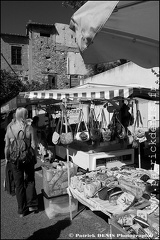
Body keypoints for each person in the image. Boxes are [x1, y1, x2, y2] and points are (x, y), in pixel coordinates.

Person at [4, 107, 38, 217]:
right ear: (25, 115)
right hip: (28, 158)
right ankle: (32, 205)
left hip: (14, 160)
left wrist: (6, 158)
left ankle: (22, 210)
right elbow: (34, 145)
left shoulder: (10, 128)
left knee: (18, 185)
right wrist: (35, 157)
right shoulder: (29, 128)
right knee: (30, 180)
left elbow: (7, 146)